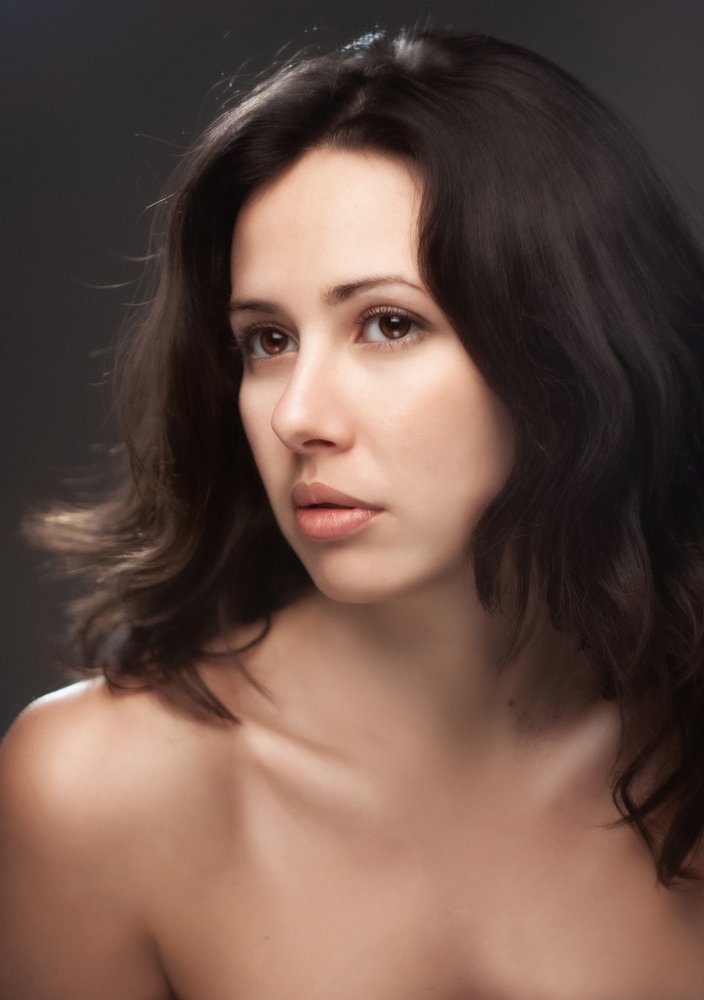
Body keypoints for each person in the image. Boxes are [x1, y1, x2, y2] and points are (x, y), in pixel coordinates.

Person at [2, 26, 704, 1000]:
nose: (297, 416)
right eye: (267, 340)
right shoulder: (96, 790)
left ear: (572, 349)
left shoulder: (683, 741)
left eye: (388, 323)